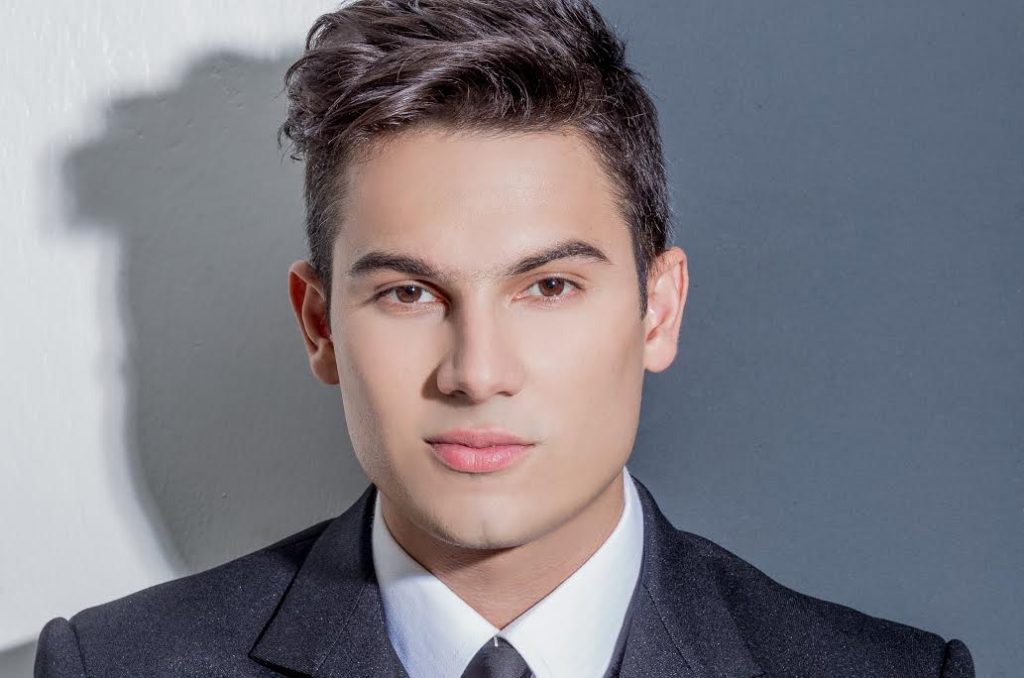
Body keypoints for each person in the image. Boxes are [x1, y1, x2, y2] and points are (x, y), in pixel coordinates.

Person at [34, 1, 975, 676]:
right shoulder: (113, 665)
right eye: (409, 293)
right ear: (319, 325)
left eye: (549, 286)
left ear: (658, 310)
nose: (477, 372)